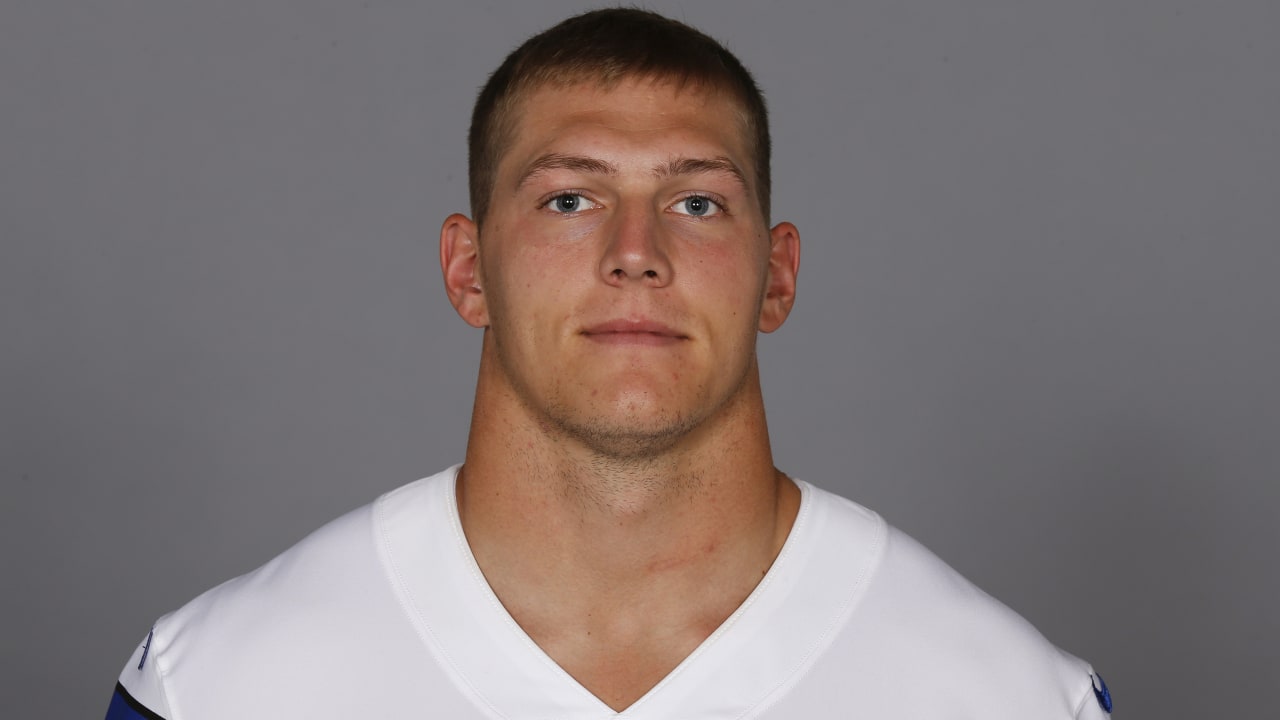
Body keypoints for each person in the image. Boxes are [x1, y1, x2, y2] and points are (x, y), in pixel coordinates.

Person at [104, 9, 1113, 719]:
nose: (636, 249)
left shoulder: (1003, 697)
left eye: (697, 203)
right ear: (467, 269)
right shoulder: (225, 688)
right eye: (568, 200)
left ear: (775, 276)